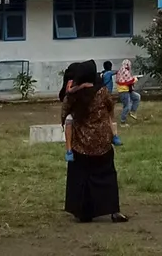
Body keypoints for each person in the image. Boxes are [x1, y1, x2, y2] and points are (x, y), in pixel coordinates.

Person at [59, 60, 128, 224]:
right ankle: (113, 210)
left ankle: (83, 213)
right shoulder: (102, 92)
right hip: (102, 142)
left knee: (81, 178)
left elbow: (64, 114)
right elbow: (110, 108)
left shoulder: (73, 95)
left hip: (80, 145)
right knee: (107, 176)